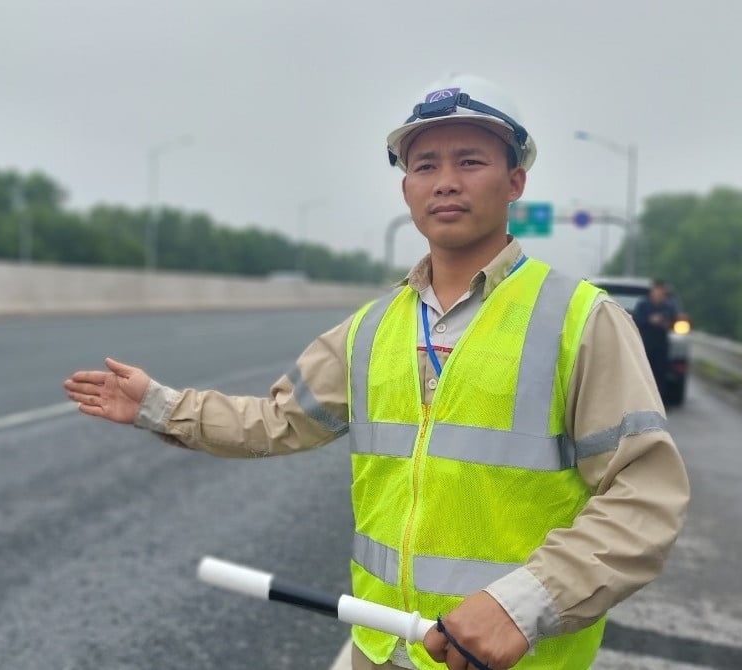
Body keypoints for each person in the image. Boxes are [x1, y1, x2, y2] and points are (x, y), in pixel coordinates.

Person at [64, 74, 689, 670]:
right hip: (381, 648)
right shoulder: (371, 328)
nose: (445, 181)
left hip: (511, 660)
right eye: (425, 165)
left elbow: (645, 496)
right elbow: (277, 421)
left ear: (515, 180)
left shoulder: (583, 320)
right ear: (406, 190)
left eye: (470, 161)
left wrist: (524, 603)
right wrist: (158, 405)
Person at [632, 280, 680, 402]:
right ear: (652, 292)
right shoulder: (643, 305)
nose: (659, 294)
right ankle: (642, 400)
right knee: (643, 374)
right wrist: (650, 320)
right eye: (657, 291)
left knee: (660, 375)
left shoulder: (669, 306)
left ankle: (659, 401)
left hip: (661, 346)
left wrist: (665, 321)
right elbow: (636, 320)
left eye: (661, 292)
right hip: (645, 345)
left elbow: (675, 320)